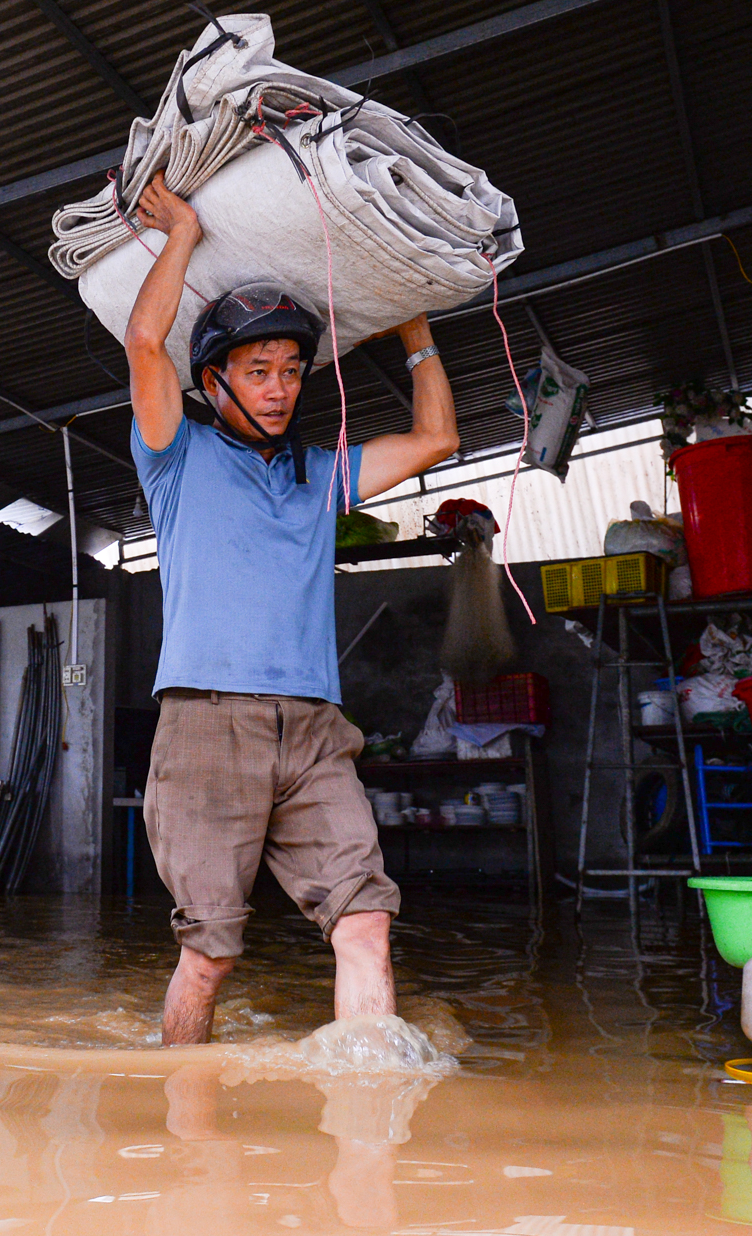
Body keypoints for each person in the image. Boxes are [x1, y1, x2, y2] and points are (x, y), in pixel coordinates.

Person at [125, 172, 462, 1045]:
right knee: (210, 952)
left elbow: (437, 441)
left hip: (315, 732)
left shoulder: (320, 476)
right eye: (257, 371)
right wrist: (183, 235)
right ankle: (186, 1124)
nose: (279, 389)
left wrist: (415, 327)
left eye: (289, 372)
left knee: (364, 921)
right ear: (214, 381)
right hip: (206, 724)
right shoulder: (175, 456)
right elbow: (143, 341)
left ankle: (368, 1144)